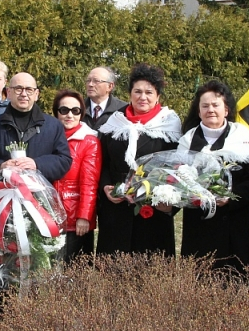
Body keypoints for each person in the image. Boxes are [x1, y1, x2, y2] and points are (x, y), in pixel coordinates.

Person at [178, 80, 249, 279]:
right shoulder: (186, 141)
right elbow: (178, 180)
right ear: (198, 112)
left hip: (233, 226)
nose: (210, 110)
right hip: (198, 227)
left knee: (235, 288)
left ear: (226, 109)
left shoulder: (243, 138)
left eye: (216, 105)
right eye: (205, 106)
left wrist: (232, 198)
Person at [97, 63, 182, 257]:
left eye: (149, 92)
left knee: (149, 270)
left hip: (153, 210)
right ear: (130, 94)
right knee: (113, 269)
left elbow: (178, 169)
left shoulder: (169, 126)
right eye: (137, 91)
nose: (142, 97)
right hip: (117, 209)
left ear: (158, 96)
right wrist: (106, 186)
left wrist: (168, 204)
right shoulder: (113, 124)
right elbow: (103, 162)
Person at [0, 72, 72, 183]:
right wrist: (0, 166)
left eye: (29, 90)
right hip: (2, 194)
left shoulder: (53, 126)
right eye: (18, 89)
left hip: (39, 196)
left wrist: (37, 164)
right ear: (8, 92)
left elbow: (64, 160)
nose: (23, 94)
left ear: (36, 94)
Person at [52, 89, 101, 262]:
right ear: (56, 113)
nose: (69, 115)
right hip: (49, 215)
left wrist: (84, 217)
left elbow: (90, 183)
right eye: (64, 110)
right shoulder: (48, 137)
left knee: (74, 269)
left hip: (75, 218)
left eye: (75, 110)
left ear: (82, 113)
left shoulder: (89, 141)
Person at [83, 67, 127, 131]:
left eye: (96, 81)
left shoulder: (122, 110)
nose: (90, 84)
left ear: (110, 86)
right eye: (88, 80)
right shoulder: (77, 108)